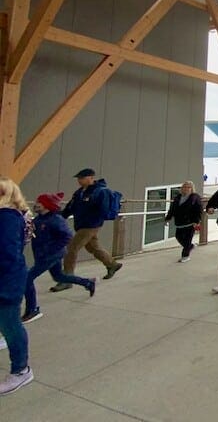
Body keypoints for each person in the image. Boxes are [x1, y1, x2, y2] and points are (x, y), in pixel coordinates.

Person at [22, 193, 96, 324]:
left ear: (47, 205)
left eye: (39, 202)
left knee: (27, 278)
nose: (36, 204)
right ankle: (87, 282)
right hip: (43, 255)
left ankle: (32, 309)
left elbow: (67, 236)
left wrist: (50, 250)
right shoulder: (39, 219)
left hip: (51, 255)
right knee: (59, 277)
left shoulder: (56, 220)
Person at [56, 168, 122, 291]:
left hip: (91, 225)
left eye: (82, 178)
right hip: (81, 224)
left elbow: (103, 210)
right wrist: (61, 216)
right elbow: (71, 207)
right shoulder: (80, 192)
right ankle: (112, 264)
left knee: (71, 248)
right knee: (92, 247)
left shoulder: (100, 192)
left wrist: (94, 218)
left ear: (91, 178)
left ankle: (67, 278)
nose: (79, 181)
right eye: (78, 178)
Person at [0, 177, 34, 395]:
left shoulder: (7, 218)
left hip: (7, 280)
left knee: (11, 323)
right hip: (10, 276)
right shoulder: (15, 216)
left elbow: (6, 253)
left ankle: (21, 370)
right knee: (7, 320)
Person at [165, 181, 203, 263]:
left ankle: (185, 256)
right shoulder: (177, 197)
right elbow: (172, 209)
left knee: (187, 240)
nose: (186, 189)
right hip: (179, 222)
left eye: (188, 187)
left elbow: (199, 209)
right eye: (184, 187)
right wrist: (168, 218)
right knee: (178, 237)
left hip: (190, 222)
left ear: (191, 189)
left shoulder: (195, 197)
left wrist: (197, 221)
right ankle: (190, 246)